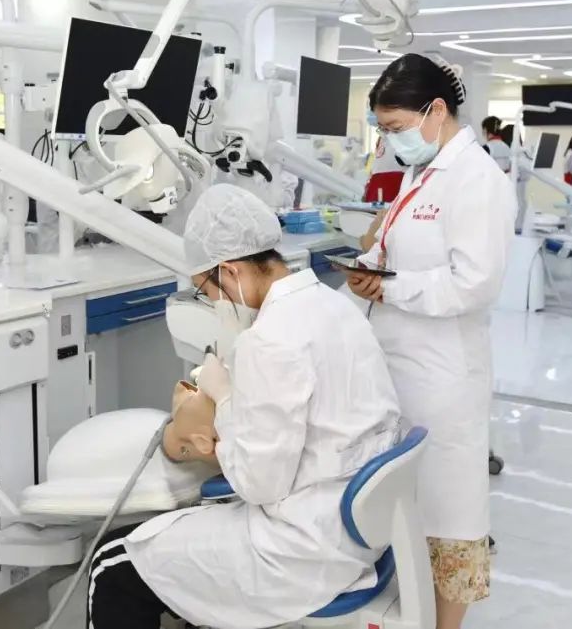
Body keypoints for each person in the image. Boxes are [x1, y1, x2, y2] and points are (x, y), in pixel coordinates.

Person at [86, 183, 403, 629]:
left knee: (111, 563)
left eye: (207, 290)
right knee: (177, 541)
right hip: (354, 531)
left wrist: (227, 400)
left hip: (298, 552)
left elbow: (259, 485)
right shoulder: (336, 306)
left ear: (230, 271)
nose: (214, 301)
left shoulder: (269, 339)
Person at [346, 53, 516, 629]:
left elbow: (474, 284)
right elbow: (393, 243)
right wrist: (370, 266)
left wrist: (391, 289)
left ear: (436, 111)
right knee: (406, 511)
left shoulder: (478, 180)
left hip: (444, 379)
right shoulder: (421, 175)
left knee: (450, 517)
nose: (390, 141)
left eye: (395, 127)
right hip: (399, 365)